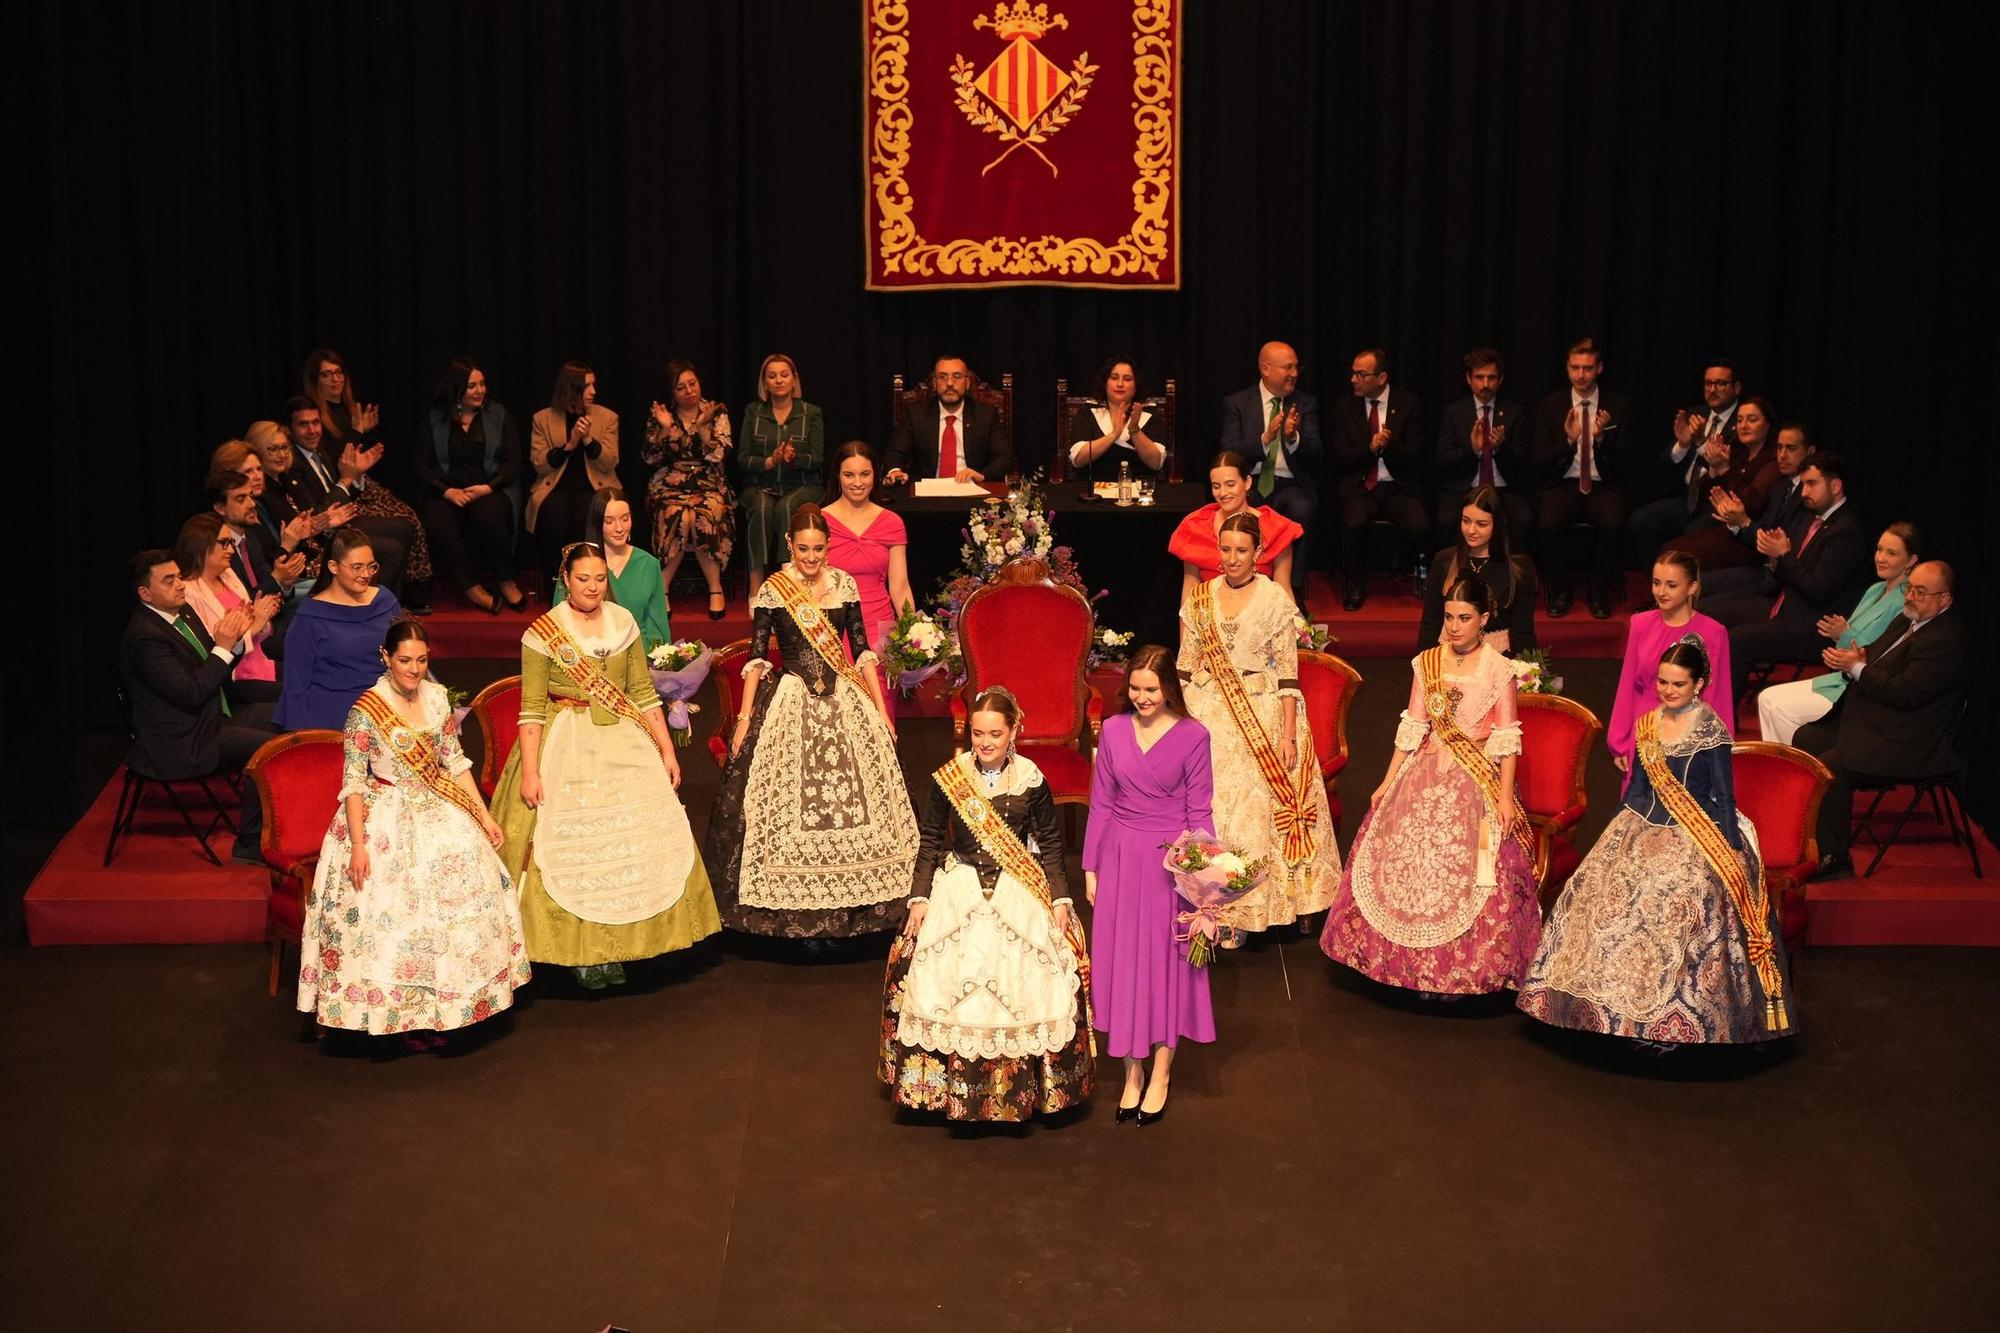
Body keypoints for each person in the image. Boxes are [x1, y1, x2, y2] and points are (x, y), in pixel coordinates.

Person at [1518, 638, 1794, 1044]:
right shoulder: (1647, 723)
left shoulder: (1710, 729)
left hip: (1697, 829)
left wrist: (1731, 849)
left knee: (1678, 896)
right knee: (1605, 893)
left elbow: (1723, 795)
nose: (1668, 690)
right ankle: (1598, 1011)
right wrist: (1614, 836)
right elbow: (1638, 791)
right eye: (1663, 682)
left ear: (1698, 684)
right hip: (1642, 825)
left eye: (1678, 684)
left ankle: (1670, 1019)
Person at [489, 542, 719, 986]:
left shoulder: (624, 623)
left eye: (599, 579)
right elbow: (532, 707)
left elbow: (643, 693)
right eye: (583, 579)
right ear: (566, 580)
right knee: (577, 847)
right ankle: (587, 956)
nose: (593, 587)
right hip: (566, 741)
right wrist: (533, 771)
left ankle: (636, 944)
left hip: (624, 739)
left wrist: (666, 751)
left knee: (636, 841)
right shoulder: (544, 632)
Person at [296, 620, 531, 1046]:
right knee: (394, 920)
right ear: (385, 658)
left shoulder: (438, 698)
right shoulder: (365, 711)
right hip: (384, 815)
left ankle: (451, 1005)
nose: (414, 670)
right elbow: (352, 783)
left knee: (458, 906)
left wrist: (483, 815)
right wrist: (360, 846)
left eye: (422, 661)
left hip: (438, 807)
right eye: (405, 660)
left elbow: (454, 763)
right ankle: (401, 1017)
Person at [880, 686, 1093, 1121]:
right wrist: (919, 896)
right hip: (960, 886)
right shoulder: (950, 777)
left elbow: (1051, 843)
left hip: (1016, 888)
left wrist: (1059, 896)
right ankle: (947, 1093)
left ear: (1013, 730)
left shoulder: (1031, 778)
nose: (985, 742)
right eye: (978, 734)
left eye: (995, 733)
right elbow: (931, 840)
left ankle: (1017, 1094)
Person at [705, 505, 916, 944]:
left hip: (844, 698)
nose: (811, 557)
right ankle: (791, 912)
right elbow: (759, 658)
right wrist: (744, 720)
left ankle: (855, 908)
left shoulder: (844, 585)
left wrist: (879, 709)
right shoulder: (774, 590)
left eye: (819, 548)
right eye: (803, 549)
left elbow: (860, 652)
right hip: (790, 699)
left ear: (829, 546)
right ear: (789, 545)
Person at [1319, 579, 1540, 995]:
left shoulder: (1498, 669)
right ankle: (1399, 964)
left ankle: (1461, 970)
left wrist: (1506, 797)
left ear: (1484, 620)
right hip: (1424, 770)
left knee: (1472, 870)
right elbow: (1414, 725)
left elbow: (1508, 738)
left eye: (1465, 618)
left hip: (1474, 777)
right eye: (1449, 617)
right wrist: (1387, 781)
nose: (1455, 627)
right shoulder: (1428, 662)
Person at [1177, 515, 1341, 939]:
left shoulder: (1274, 601)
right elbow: (1184, 668)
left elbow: (1288, 675)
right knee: (1212, 810)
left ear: (1258, 554)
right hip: (1208, 709)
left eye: (1241, 551)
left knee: (1254, 811)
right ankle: (1215, 906)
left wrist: (1288, 735)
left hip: (1263, 712)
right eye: (1226, 549)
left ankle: (1257, 907)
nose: (1232, 559)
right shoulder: (1200, 599)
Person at [1086, 645, 1215, 1124]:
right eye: (1135, 689)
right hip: (1119, 856)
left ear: (1169, 690)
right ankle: (1131, 1072)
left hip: (1169, 863)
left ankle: (1161, 1070)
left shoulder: (1194, 736)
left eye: (1151, 690)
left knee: (1164, 963)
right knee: (1122, 961)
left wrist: (1204, 884)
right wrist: (1091, 866)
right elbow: (1101, 802)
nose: (1141, 698)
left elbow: (1200, 811)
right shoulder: (1115, 730)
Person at [1793, 562, 1967, 879]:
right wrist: (1857, 658)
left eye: (1921, 591)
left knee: (1831, 766)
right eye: (1910, 588)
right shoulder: (1908, 619)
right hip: (1878, 719)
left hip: (1909, 740)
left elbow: (1906, 693)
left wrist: (1858, 669)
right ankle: (1811, 832)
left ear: (1945, 599)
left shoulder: (1945, 640)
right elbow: (1878, 654)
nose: (1911, 596)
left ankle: (1835, 859)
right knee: (1806, 738)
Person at [119, 549, 277, 863]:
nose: (180, 585)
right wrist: (223, 645)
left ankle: (286, 815)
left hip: (211, 713)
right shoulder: (144, 637)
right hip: (182, 737)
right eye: (169, 580)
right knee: (270, 750)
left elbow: (211, 666)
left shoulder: (183, 612)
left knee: (285, 717)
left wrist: (231, 639)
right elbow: (191, 692)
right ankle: (249, 844)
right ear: (145, 593)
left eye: (178, 576)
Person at [1704, 455, 1871, 704]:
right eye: (1802, 484)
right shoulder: (1810, 516)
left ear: (1835, 486)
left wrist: (1782, 556)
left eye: (1812, 484)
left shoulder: (1846, 531)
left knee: (1736, 641)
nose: (1804, 492)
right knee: (1710, 616)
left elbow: (1817, 589)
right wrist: (1744, 525)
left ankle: (1722, 720)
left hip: (1812, 626)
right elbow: (1776, 548)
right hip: (1783, 604)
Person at [1757, 523, 1922, 745]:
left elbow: (1883, 654)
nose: (1881, 557)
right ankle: (1784, 770)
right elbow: (1849, 641)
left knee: (1779, 709)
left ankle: (1802, 772)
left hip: (1860, 691)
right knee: (1766, 698)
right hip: (1839, 679)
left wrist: (1844, 633)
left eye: (1891, 553)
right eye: (1879, 549)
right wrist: (1838, 634)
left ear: (1911, 561)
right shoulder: (1875, 589)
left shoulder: (1904, 603)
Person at [302, 348, 433, 613]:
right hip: (343, 491)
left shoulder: (348, 409)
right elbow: (339, 460)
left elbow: (357, 456)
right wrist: (357, 432)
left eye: (339, 373)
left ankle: (406, 595)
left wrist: (362, 435)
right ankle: (377, 607)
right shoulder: (313, 415)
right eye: (327, 375)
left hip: (357, 483)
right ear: (316, 381)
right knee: (398, 535)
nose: (335, 379)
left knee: (409, 520)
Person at [1608, 550, 1733, 783]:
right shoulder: (1640, 623)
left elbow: (1718, 695)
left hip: (1689, 737)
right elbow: (1628, 685)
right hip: (1645, 733)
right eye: (1656, 583)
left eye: (1671, 585)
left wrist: (1718, 752)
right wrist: (1620, 741)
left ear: (1692, 587)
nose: (1661, 592)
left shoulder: (1713, 632)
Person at [413, 357, 525, 615]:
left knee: (488, 517)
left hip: (490, 489)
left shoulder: (498, 415)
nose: (480, 390)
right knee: (438, 523)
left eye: (482, 384)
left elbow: (513, 462)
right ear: (457, 389)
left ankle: (506, 580)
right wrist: (446, 491)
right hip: (447, 491)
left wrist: (488, 488)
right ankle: (471, 587)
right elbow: (419, 464)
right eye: (472, 386)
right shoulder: (435, 418)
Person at [1533, 337, 1631, 617]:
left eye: (1587, 368)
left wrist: (1601, 440)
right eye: (1575, 368)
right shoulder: (1550, 405)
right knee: (1547, 523)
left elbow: (1628, 460)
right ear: (1567, 368)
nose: (1580, 375)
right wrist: (1567, 441)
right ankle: (1561, 591)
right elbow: (1538, 461)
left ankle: (1599, 592)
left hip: (1603, 485)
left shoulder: (1619, 405)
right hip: (1563, 483)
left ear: (1599, 368)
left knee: (1614, 523)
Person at [1218, 341, 1321, 605]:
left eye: (1296, 367)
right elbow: (1228, 450)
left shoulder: (1305, 403)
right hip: (1250, 486)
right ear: (1266, 368)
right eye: (1288, 367)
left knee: (1303, 508)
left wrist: (1292, 437)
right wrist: (1265, 439)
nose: (1294, 373)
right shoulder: (1238, 403)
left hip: (1290, 484)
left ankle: (1293, 590)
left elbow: (1317, 454)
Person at [273, 529, 404, 731]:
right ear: (333, 566)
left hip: (388, 706)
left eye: (371, 566)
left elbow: (406, 652)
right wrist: (302, 739)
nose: (366, 574)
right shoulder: (310, 616)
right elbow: (296, 685)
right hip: (335, 714)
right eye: (356, 567)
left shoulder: (384, 600)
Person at [1330, 347, 1427, 611]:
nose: (1353, 379)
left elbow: (1417, 456)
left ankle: (1411, 572)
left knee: (1418, 523)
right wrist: (1369, 448)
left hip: (1397, 486)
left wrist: (1390, 445)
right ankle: (1354, 586)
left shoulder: (1409, 404)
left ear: (1381, 377)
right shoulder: (1344, 407)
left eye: (1361, 374)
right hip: (1360, 486)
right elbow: (1339, 456)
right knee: (1353, 521)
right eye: (1353, 373)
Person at [281, 397, 409, 597]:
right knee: (393, 550)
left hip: (343, 522)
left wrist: (355, 476)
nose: (312, 430)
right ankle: (368, 606)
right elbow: (317, 513)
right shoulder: (291, 465)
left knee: (404, 527)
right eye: (303, 424)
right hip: (324, 536)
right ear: (288, 430)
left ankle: (391, 605)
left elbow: (343, 494)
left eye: (316, 422)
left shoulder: (319, 452)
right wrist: (346, 480)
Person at [822, 441, 912, 719]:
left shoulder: (892, 521)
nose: (857, 482)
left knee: (880, 715)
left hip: (878, 630)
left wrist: (911, 632)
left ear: (876, 476)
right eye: (849, 474)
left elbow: (899, 585)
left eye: (865, 474)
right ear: (837, 476)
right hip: (833, 630)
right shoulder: (820, 520)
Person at [643, 359, 735, 620]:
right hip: (671, 479)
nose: (689, 391)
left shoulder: (715, 410)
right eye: (681, 387)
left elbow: (720, 454)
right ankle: (662, 588)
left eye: (692, 384)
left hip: (708, 478)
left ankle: (715, 588)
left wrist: (704, 430)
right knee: (680, 515)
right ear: (672, 392)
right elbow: (649, 457)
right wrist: (663, 429)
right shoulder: (661, 413)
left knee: (703, 512)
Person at [1626, 360, 1743, 562]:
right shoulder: (1695, 414)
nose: (1712, 389)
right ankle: (1661, 586)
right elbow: (1664, 464)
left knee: (1690, 536)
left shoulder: (1743, 421)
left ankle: (1687, 591)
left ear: (1736, 388)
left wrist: (1699, 441)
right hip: (1686, 497)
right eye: (1708, 383)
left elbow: (1728, 464)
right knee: (1641, 521)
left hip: (1716, 503)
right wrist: (1681, 445)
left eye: (1720, 384)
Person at [1649, 396, 1784, 566]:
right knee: (1671, 549)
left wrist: (1724, 469)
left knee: (1678, 556)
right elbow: (1706, 494)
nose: (1743, 425)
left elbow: (1750, 502)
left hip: (1745, 535)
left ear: (1768, 424)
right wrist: (1714, 468)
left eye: (1752, 419)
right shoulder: (1737, 451)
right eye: (1740, 419)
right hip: (1720, 523)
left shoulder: (1773, 459)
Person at [1681, 420, 1815, 585]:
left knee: (1694, 579)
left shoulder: (1810, 493)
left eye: (1791, 448)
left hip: (1778, 578)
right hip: (1759, 563)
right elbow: (1765, 528)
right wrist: (1735, 522)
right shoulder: (1783, 486)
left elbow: (1779, 541)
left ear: (1810, 452)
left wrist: (1743, 521)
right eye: (1779, 448)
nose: (1782, 455)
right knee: (1692, 575)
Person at [527, 360, 621, 586]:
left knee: (585, 520)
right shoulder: (543, 418)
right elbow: (539, 464)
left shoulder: (607, 417)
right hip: (555, 487)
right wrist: (569, 445)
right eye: (588, 386)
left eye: (593, 385)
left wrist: (588, 439)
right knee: (553, 519)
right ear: (572, 388)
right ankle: (556, 585)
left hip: (594, 487)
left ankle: (589, 585)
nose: (593, 391)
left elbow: (610, 462)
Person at [1167, 451, 1303, 605]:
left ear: (1247, 483)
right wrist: (1187, 629)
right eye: (1216, 486)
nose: (1223, 493)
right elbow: (1190, 591)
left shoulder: (1276, 528)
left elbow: (1283, 591)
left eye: (1230, 484)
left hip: (1259, 620)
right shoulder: (1195, 527)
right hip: (1211, 621)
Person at [738, 353, 825, 587]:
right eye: (772, 376)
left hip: (803, 485)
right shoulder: (753, 412)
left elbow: (817, 459)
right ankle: (756, 588)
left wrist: (794, 458)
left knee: (787, 507)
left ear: (794, 380)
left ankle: (790, 583)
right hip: (760, 485)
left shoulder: (811, 412)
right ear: (764, 382)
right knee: (762, 508)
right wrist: (769, 462)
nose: (779, 380)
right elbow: (742, 459)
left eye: (784, 375)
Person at [174, 514, 281, 704]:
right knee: (301, 695)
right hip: (235, 678)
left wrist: (263, 617)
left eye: (231, 542)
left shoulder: (228, 575)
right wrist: (255, 625)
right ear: (201, 546)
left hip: (260, 664)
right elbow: (209, 646)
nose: (231, 550)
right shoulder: (188, 591)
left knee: (315, 675)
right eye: (224, 543)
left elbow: (255, 629)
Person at [1417, 488, 1539, 655]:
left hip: (1496, 661)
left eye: (1481, 524)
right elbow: (1430, 624)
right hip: (1447, 659)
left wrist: (1530, 676)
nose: (1471, 530)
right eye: (1466, 521)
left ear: (1498, 525)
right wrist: (1423, 669)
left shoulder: (1519, 568)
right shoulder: (1443, 561)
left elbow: (1523, 632)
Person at [1432, 349, 1531, 549]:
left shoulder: (1515, 412)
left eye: (1491, 378)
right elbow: (1441, 460)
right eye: (1479, 377)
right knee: (1445, 519)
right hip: (1463, 488)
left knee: (1524, 519)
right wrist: (1473, 449)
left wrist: (1500, 449)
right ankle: (1452, 573)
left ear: (1500, 380)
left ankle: (1514, 575)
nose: (1485, 384)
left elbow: (1523, 463)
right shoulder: (1453, 413)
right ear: (1469, 379)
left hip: (1503, 489)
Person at [553, 488, 671, 650]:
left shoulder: (649, 564)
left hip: (638, 653)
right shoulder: (578, 562)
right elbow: (559, 623)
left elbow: (658, 626)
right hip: (589, 657)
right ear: (596, 523)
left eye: (625, 519)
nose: (619, 528)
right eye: (609, 521)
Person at [883, 354, 1012, 485]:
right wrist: (895, 471)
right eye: (943, 377)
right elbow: (895, 452)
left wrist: (982, 475)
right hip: (927, 491)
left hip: (971, 488)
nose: (950, 383)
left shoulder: (986, 414)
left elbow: (1004, 458)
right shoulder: (915, 414)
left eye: (957, 377)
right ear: (934, 383)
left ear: (967, 383)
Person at [1067, 356, 1167, 479]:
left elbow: (1156, 463)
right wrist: (1113, 434)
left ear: (1136, 384)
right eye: (1114, 378)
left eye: (1127, 379)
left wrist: (1134, 430)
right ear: (1105, 383)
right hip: (1095, 491)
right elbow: (1078, 460)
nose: (1120, 384)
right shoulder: (1088, 412)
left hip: (1139, 490)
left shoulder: (1150, 413)